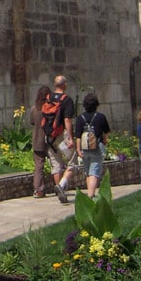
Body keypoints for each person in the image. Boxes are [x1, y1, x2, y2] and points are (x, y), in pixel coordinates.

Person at [45, 75, 76, 203]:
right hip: (62, 135)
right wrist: (71, 138)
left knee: (56, 163)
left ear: (54, 84)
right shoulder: (67, 99)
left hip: (50, 136)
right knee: (73, 160)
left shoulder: (48, 98)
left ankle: (60, 191)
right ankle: (62, 185)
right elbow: (67, 119)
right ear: (64, 85)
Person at [74, 92, 110, 198]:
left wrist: (78, 149)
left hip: (85, 148)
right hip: (97, 147)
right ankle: (90, 196)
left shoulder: (80, 118)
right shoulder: (101, 117)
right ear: (96, 104)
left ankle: (91, 193)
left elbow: (78, 136)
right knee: (94, 172)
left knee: (88, 172)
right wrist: (105, 141)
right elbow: (106, 132)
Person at [28, 85, 52, 198]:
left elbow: (32, 122)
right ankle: (58, 186)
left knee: (38, 165)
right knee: (56, 163)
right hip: (49, 139)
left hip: (37, 139)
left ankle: (38, 189)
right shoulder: (49, 108)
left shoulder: (34, 109)